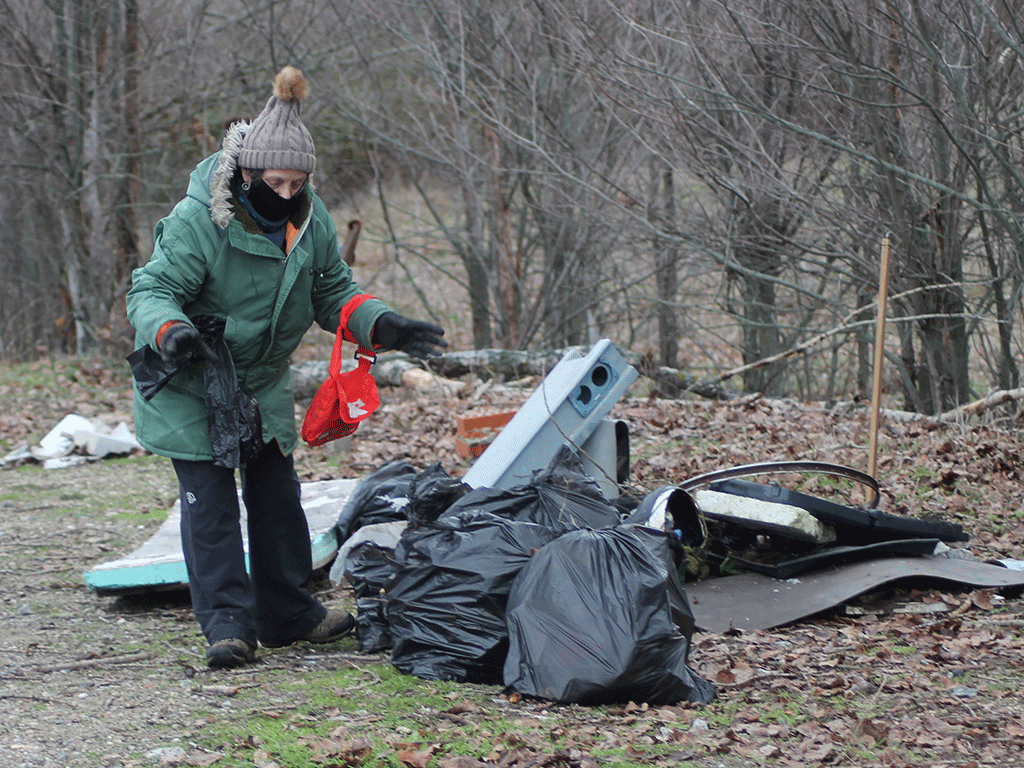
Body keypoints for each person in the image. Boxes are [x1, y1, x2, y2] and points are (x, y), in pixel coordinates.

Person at [126, 66, 446, 669]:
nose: (286, 192)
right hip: (191, 377)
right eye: (275, 181)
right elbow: (152, 290)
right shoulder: (201, 220)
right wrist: (170, 329)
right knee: (211, 506)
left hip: (263, 381)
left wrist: (382, 323)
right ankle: (228, 625)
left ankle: (288, 613)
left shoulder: (310, 220)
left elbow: (334, 293)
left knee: (278, 498)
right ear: (247, 173)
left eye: (297, 182)